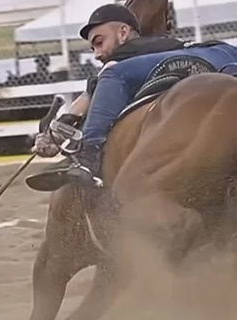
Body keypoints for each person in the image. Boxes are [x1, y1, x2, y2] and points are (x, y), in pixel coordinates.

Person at [34, 3, 237, 187]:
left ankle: (89, 157)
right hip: (224, 55)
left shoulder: (123, 55)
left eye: (99, 41)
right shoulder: (160, 46)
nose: (96, 54)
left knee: (113, 74)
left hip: (197, 56)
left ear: (123, 32)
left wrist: (59, 129)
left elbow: (89, 96)